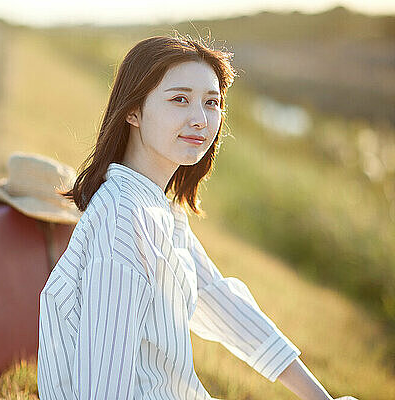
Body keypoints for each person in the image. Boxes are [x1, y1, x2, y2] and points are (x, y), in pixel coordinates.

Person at [36, 32, 358, 400]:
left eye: (211, 103)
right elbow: (101, 386)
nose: (201, 119)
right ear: (133, 111)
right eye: (180, 100)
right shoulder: (121, 219)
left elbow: (220, 302)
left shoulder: (159, 208)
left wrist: (321, 397)